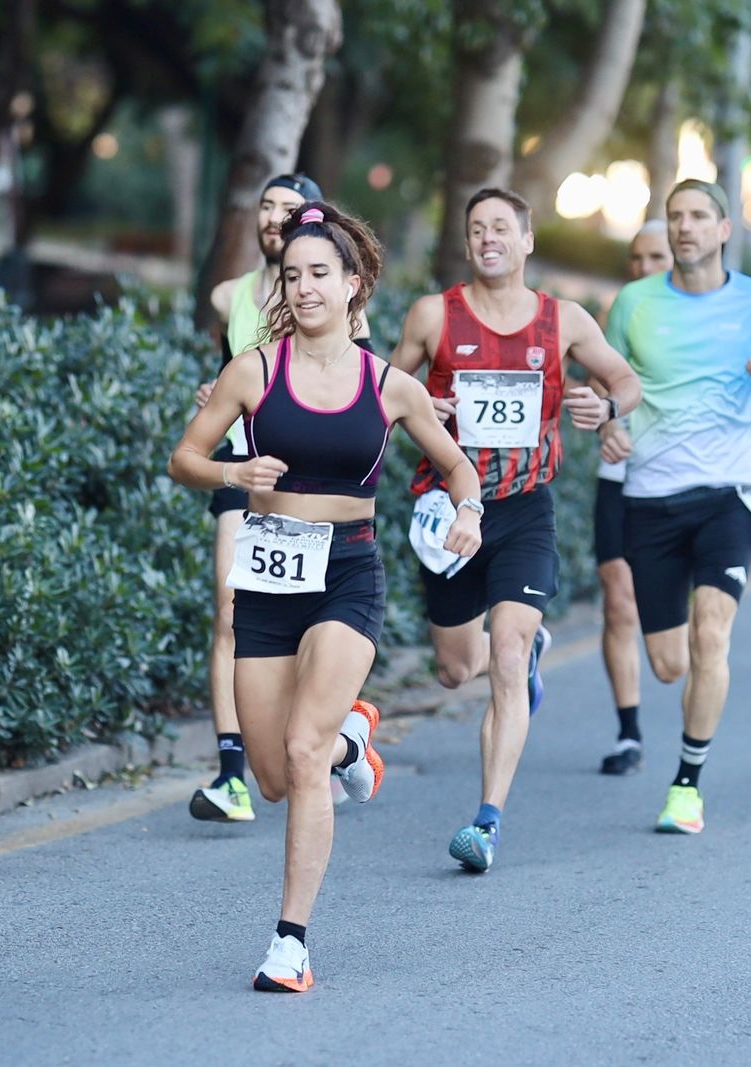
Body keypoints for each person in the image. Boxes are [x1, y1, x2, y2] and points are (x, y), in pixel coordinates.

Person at [170, 201, 484, 991]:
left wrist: (470, 512)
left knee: (303, 757)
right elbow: (186, 457)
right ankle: (355, 740)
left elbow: (458, 466)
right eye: (292, 274)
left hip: (347, 570)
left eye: (320, 273)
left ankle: (290, 942)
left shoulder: (390, 385)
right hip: (269, 575)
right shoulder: (254, 369)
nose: (304, 287)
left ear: (353, 284)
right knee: (276, 777)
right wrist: (233, 474)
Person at [392, 188, 641, 871]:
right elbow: (380, 390)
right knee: (455, 668)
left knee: (505, 655)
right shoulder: (432, 316)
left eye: (502, 227)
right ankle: (518, 656)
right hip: (449, 510)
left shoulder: (564, 322)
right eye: (477, 228)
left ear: (528, 240)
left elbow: (625, 380)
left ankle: (487, 821)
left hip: (525, 507)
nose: (489, 238)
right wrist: (420, 407)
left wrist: (605, 403)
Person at [605, 178, 751, 835]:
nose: (686, 227)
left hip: (728, 494)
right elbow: (604, 382)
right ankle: (688, 740)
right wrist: (605, 420)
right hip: (650, 496)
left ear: (725, 229)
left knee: (712, 633)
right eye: (676, 217)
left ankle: (686, 784)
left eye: (700, 216)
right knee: (671, 663)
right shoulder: (635, 302)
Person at [190, 173, 321, 823]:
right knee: (229, 608)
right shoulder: (227, 296)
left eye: (289, 209)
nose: (274, 218)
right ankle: (231, 775)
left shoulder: (329, 297)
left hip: (310, 471)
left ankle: (321, 737)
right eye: (267, 206)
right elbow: (226, 374)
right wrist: (212, 398)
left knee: (302, 618)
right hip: (243, 466)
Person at [595, 221, 672, 777]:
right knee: (618, 600)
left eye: (656, 258)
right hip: (619, 476)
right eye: (636, 258)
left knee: (673, 652)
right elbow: (595, 382)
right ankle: (628, 732)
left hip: (680, 483)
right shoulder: (617, 315)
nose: (643, 269)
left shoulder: (702, 319)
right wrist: (605, 424)